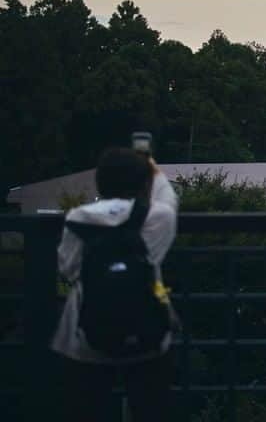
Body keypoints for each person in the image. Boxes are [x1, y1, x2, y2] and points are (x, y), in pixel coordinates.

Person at [53, 147, 179, 422]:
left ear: (99, 182)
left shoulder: (78, 218)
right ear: (144, 183)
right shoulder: (159, 217)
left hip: (85, 331)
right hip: (147, 329)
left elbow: (68, 269)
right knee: (151, 406)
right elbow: (168, 197)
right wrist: (152, 166)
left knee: (86, 407)